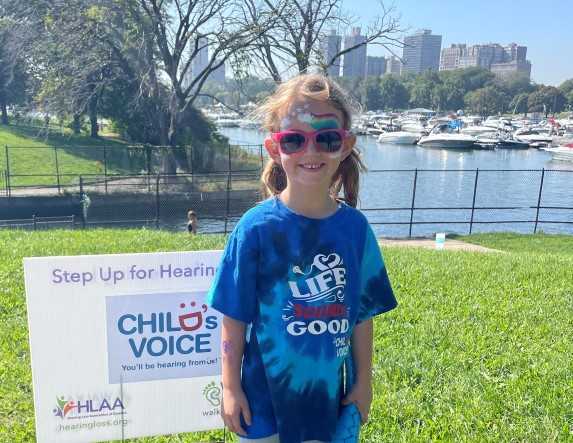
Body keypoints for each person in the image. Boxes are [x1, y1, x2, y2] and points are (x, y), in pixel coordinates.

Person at [206, 73, 397, 443]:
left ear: (345, 145)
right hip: (262, 406)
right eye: (295, 140)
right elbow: (233, 317)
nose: (311, 152)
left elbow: (361, 317)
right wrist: (230, 387)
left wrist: (364, 382)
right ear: (275, 148)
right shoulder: (255, 229)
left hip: (326, 405)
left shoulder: (355, 231)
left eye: (326, 139)